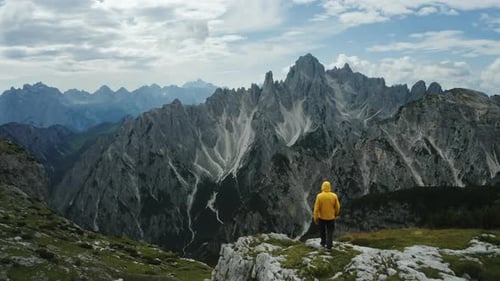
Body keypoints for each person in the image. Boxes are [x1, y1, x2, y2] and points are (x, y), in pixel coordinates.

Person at [313, 181, 340, 249]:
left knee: (322, 231)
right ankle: (329, 245)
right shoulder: (334, 196)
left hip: (321, 217)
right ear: (329, 187)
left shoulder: (319, 196)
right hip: (331, 217)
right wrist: (335, 214)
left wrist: (315, 218)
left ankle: (323, 242)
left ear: (322, 187)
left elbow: (316, 209)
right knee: (330, 231)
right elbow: (337, 207)